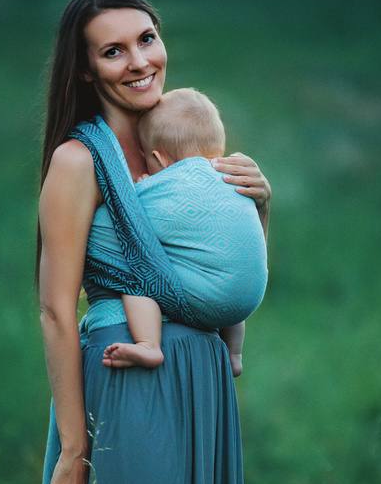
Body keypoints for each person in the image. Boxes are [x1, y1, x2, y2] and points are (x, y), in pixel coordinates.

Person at [21, 0, 271, 484]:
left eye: (147, 38)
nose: (139, 61)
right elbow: (58, 309)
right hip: (125, 376)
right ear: (87, 68)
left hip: (201, 380)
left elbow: (233, 271)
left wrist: (261, 206)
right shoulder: (78, 159)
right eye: (113, 49)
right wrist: (73, 446)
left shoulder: (195, 145)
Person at [100, 87, 268, 374]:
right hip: (249, 297)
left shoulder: (165, 186)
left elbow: (125, 217)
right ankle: (234, 355)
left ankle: (148, 345)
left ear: (159, 158)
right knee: (228, 269)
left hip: (211, 296)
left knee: (136, 267)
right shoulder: (233, 179)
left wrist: (142, 187)